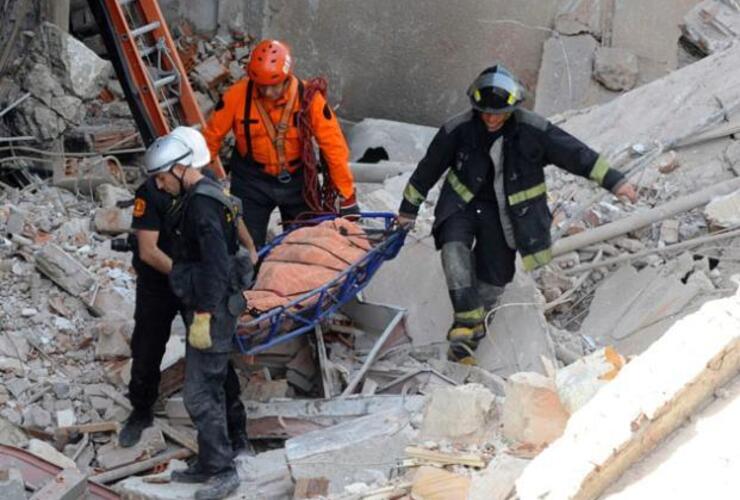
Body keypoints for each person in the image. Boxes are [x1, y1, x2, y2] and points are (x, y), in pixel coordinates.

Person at [397, 64, 637, 365]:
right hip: (462, 205)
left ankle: (469, 337)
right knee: (453, 248)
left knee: (494, 278)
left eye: (498, 113)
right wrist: (407, 211)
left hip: (507, 216)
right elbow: (426, 172)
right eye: (485, 112)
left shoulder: (533, 131)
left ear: (512, 109)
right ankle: (466, 317)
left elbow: (576, 154)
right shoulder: (457, 130)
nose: (491, 118)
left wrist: (615, 181)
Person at [142, 127, 254, 499]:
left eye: (161, 177)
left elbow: (216, 265)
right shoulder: (205, 195)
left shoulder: (202, 205)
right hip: (209, 305)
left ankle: (223, 470)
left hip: (213, 309)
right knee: (213, 385)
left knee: (199, 394)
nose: (159, 186)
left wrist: (204, 313)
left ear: (178, 168)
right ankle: (211, 460)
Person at [203, 39, 359, 249]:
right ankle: (250, 280)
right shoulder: (236, 96)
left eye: (273, 86)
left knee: (303, 247)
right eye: (262, 86)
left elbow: (334, 147)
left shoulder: (309, 99)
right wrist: (202, 180)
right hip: (251, 181)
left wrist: (347, 195)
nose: (267, 93)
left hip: (298, 181)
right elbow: (211, 137)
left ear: (286, 78)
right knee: (246, 246)